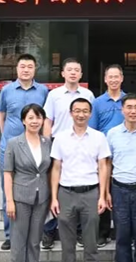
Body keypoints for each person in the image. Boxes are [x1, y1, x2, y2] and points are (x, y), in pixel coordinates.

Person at [42, 58, 96, 249]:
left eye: (76, 70)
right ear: (63, 73)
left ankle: (80, 230)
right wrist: (47, 144)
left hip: (82, 144)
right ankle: (49, 230)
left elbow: (91, 120)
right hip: (59, 145)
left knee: (79, 186)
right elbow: (48, 121)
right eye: (69, 69)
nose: (73, 73)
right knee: (54, 187)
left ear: (81, 74)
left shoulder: (88, 95)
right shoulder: (54, 95)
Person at [0, 54, 50, 250]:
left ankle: (39, 232)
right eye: (22, 66)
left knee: (39, 190)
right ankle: (10, 235)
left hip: (36, 150)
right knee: (8, 192)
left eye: (29, 66)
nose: (26, 70)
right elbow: (2, 115)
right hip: (10, 148)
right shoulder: (6, 90)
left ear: (35, 69)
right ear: (17, 68)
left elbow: (46, 118)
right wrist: (7, 139)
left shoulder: (43, 91)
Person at [50, 98, 111, 262]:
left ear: (90, 114)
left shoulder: (99, 137)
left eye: (85, 111)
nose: (81, 115)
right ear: (71, 113)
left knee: (91, 242)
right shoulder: (60, 138)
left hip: (91, 193)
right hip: (66, 193)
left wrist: (102, 196)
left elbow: (103, 167)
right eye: (77, 111)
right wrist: (54, 198)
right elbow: (56, 168)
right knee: (67, 243)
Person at [106, 93, 136, 262]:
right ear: (122, 110)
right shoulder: (112, 134)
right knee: (122, 236)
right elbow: (107, 164)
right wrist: (106, 191)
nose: (133, 111)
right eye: (129, 107)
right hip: (119, 189)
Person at [4, 104, 52, 262]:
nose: (35, 121)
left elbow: (49, 171)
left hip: (42, 198)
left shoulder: (47, 142)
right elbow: (8, 173)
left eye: (38, 117)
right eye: (30, 118)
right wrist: (9, 201)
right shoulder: (14, 143)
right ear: (23, 121)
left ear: (43, 120)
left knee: (34, 241)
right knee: (18, 241)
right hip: (20, 198)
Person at [90, 64, 128, 246]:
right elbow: (93, 129)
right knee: (103, 190)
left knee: (121, 192)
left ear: (122, 78)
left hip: (124, 153)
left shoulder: (128, 101)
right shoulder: (97, 103)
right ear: (105, 79)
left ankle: (123, 232)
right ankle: (103, 232)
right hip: (103, 155)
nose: (113, 80)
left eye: (116, 76)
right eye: (110, 77)